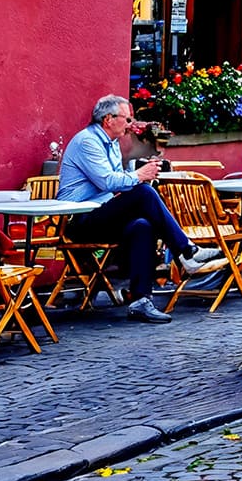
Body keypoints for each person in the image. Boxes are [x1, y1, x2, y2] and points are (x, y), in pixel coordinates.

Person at [57, 95, 223, 324]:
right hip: (79, 219)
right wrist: (138, 176)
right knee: (144, 193)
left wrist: (139, 177)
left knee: (142, 226)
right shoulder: (87, 142)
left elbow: (118, 184)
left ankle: (140, 301)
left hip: (102, 213)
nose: (129, 125)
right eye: (126, 119)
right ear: (108, 119)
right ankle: (186, 251)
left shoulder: (112, 144)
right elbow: (107, 181)